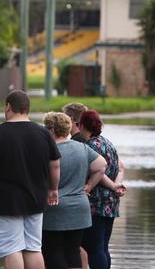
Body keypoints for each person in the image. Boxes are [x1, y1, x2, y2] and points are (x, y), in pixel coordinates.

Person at [0, 90, 61, 269]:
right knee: (33, 248)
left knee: (12, 249)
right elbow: (55, 165)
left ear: (8, 107)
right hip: (35, 199)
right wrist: (53, 189)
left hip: (3, 202)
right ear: (27, 109)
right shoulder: (43, 134)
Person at [41, 112, 107, 269]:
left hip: (55, 208)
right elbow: (101, 165)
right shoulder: (82, 147)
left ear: (51, 131)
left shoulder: (48, 151)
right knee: (73, 252)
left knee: (53, 252)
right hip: (80, 208)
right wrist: (89, 186)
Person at [79, 110, 126, 269]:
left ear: (83, 125)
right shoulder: (108, 143)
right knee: (103, 248)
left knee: (94, 248)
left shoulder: (90, 146)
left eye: (79, 124)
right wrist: (116, 186)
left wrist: (112, 185)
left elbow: (98, 171)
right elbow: (120, 167)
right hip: (111, 203)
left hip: (96, 203)